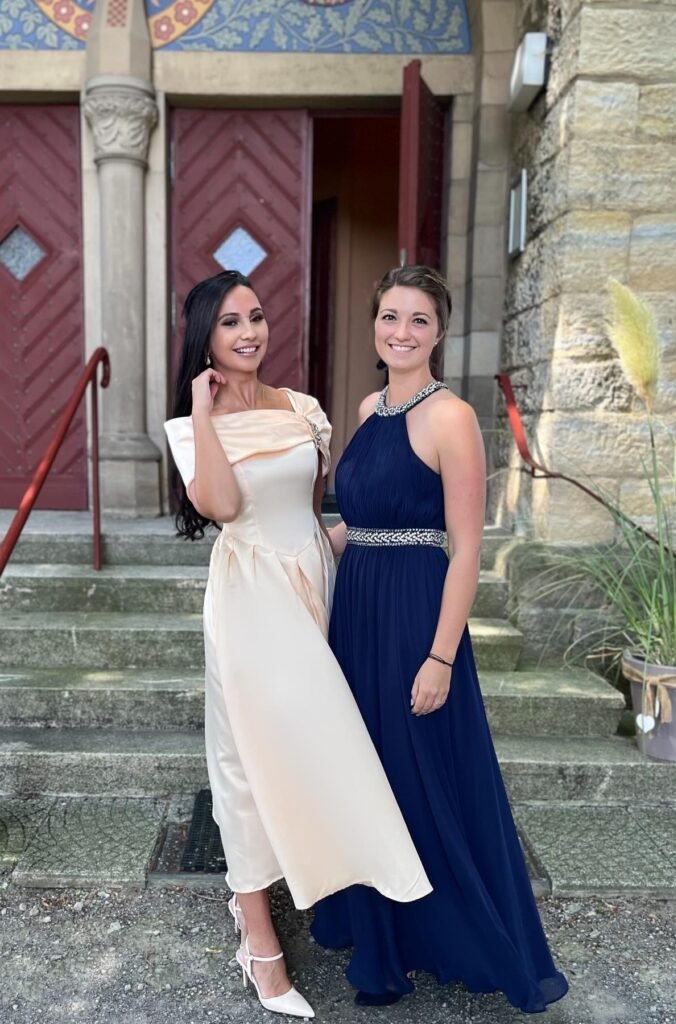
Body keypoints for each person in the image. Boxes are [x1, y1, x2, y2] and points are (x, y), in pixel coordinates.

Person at [163, 270, 431, 1020]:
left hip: (315, 583)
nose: (249, 332)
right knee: (246, 760)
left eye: (256, 315)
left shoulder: (305, 408)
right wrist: (202, 408)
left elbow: (314, 512)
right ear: (205, 340)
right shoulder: (191, 428)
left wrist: (391, 549)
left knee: (317, 746)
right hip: (250, 597)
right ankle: (259, 940)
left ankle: (344, 891)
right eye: (229, 323)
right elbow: (219, 507)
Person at [311, 265, 569, 1013]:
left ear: (440, 331)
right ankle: (380, 930)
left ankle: (441, 935)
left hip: (416, 615)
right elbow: (357, 523)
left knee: (421, 777)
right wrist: (281, 554)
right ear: (374, 326)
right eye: (390, 316)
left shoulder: (451, 416)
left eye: (418, 320)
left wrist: (440, 655)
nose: (401, 331)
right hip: (357, 611)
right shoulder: (369, 406)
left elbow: (465, 546)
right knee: (368, 776)